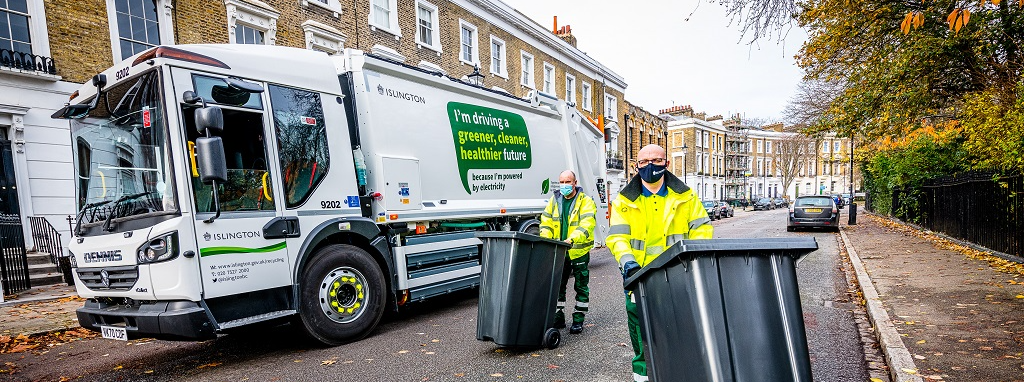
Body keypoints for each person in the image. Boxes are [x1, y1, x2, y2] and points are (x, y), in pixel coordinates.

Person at [607, 144, 714, 382]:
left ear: (666, 163)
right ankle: (642, 377)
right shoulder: (624, 201)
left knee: (683, 327)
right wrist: (629, 265)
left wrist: (692, 258)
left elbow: (702, 229)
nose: (650, 166)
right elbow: (617, 238)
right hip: (640, 276)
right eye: (644, 162)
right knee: (641, 331)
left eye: (656, 160)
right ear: (636, 166)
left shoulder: (686, 197)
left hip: (679, 273)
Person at [539, 170, 597, 334]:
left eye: (567, 182)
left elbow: (587, 224)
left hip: (577, 251)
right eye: (562, 182)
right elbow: (546, 221)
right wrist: (547, 238)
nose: (564, 185)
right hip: (559, 251)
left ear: (575, 182)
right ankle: (558, 318)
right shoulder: (554, 200)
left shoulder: (585, 201)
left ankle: (578, 319)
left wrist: (571, 239)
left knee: (581, 287)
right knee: (557, 286)